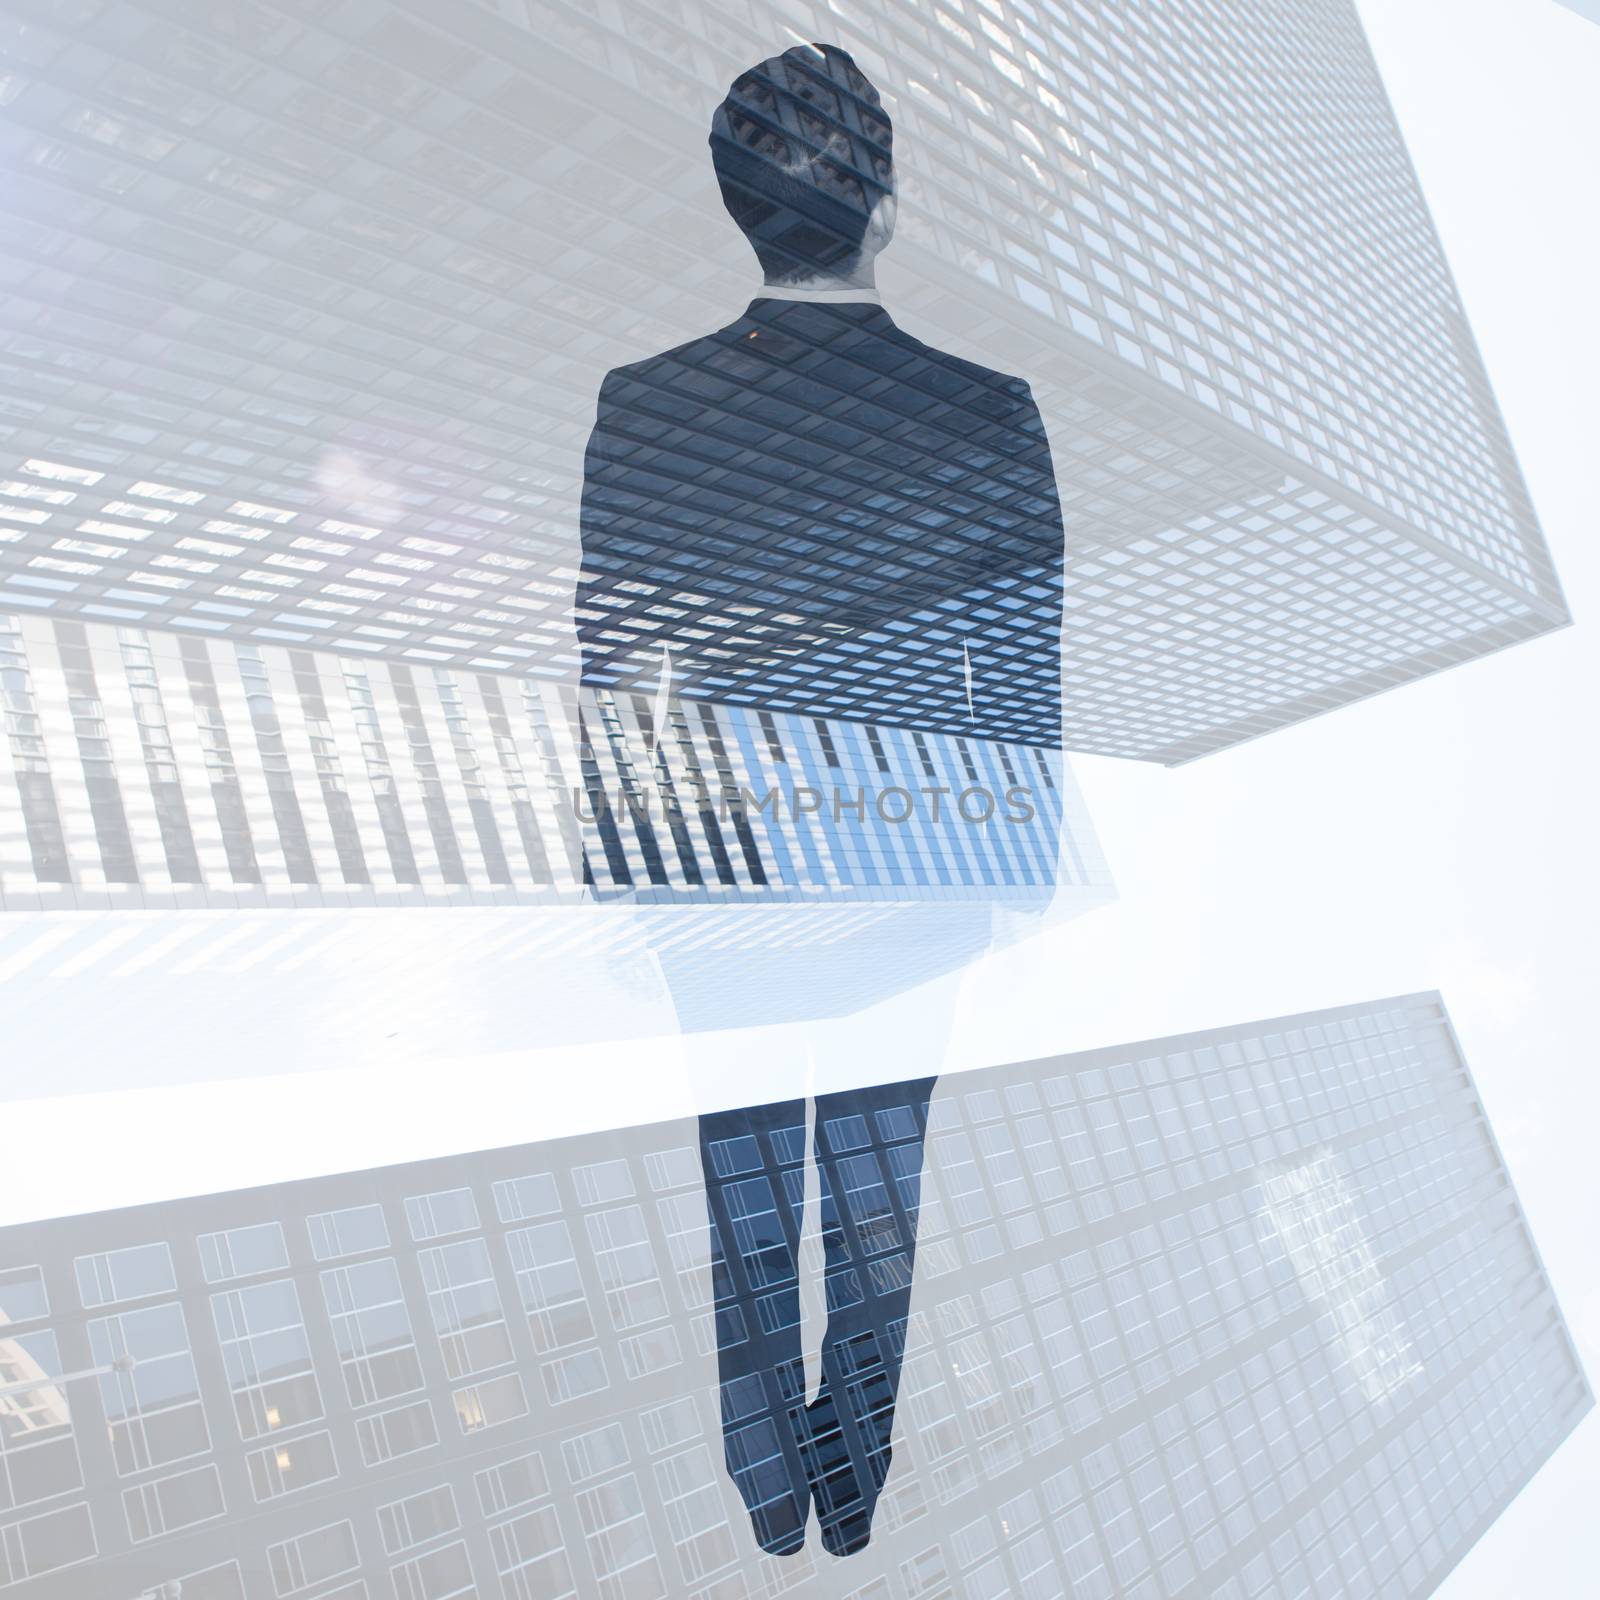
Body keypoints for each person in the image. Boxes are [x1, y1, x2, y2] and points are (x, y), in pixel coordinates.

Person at [575, 42, 1065, 1557]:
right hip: (913, 859)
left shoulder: (644, 403)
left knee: (740, 1176)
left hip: (711, 856)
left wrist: (613, 860)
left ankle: (765, 1488)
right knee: (874, 1184)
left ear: (738, 209)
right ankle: (849, 1488)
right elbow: (1023, 661)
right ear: (888, 204)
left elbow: (612, 657)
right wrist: (1024, 863)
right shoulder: (989, 410)